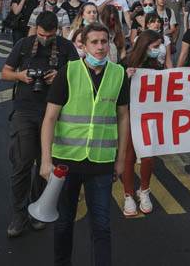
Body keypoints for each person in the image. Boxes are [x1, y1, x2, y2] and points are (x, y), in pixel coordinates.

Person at [40, 22, 130, 266]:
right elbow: (49, 118)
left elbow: (123, 117)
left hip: (101, 162)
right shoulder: (68, 72)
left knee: (101, 225)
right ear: (83, 44)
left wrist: (120, 160)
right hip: (66, 161)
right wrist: (46, 160)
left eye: (104, 41)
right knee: (64, 222)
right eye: (94, 42)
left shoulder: (118, 74)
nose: (100, 47)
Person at [1, 10, 79, 237]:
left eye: (51, 35)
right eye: (43, 35)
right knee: (22, 164)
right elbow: (5, 73)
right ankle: (18, 214)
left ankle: (38, 208)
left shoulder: (66, 47)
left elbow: (78, 74)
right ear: (37, 30)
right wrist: (21, 76)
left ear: (57, 31)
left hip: (54, 113)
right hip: (25, 111)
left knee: (46, 167)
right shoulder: (24, 45)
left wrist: (60, 76)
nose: (46, 39)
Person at [121, 29, 167, 216]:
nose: (159, 50)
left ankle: (144, 190)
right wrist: (125, 77)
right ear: (145, 45)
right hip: (130, 116)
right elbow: (113, 89)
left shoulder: (157, 65)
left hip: (150, 117)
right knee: (129, 157)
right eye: (156, 47)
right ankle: (128, 194)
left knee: (148, 155)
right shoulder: (125, 63)